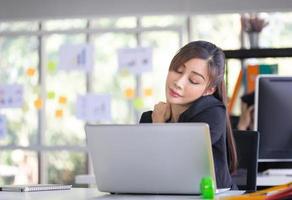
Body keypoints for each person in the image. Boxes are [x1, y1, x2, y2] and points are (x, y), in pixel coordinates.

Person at [139, 40, 238, 189]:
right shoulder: (150, 118)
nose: (179, 82)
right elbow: (144, 171)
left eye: (193, 80)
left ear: (209, 90)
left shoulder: (212, 113)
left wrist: (158, 125)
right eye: (178, 70)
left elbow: (177, 162)